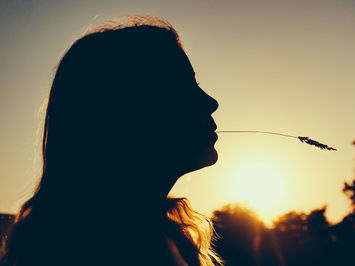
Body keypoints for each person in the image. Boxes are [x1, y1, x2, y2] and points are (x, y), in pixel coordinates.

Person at [1, 15, 222, 266]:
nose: (211, 102)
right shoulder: (114, 245)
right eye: (184, 86)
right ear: (126, 111)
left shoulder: (145, 232)